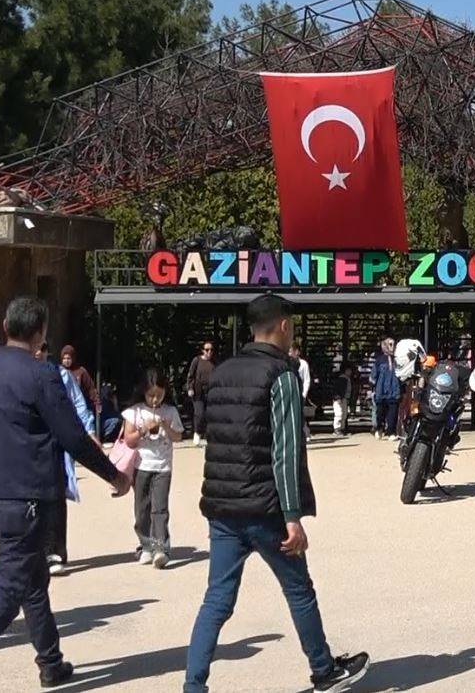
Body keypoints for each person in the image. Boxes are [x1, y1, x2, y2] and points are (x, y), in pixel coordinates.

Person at [0, 296, 131, 693]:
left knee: (31, 579)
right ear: (41, 333)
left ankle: (50, 663)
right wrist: (114, 475)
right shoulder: (42, 375)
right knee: (9, 586)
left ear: (5, 326)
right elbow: (72, 435)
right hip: (29, 500)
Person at [185, 294, 367, 693]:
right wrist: (292, 515)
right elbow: (285, 450)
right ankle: (323, 671)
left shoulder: (222, 372)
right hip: (266, 509)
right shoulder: (280, 375)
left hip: (223, 506)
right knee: (299, 589)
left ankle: (194, 686)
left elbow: (218, 441)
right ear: (284, 325)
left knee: (216, 600)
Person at [36, 341, 96, 576]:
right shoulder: (18, 374)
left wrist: (89, 432)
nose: (38, 353)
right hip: (28, 447)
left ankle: (55, 552)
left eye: (43, 349)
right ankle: (37, 552)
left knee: (55, 500)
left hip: (54, 446)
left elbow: (79, 405)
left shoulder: (61, 375)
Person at [122, 368, 184, 568]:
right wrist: (143, 429)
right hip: (141, 466)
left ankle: (161, 548)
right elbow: (128, 440)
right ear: (143, 392)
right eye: (151, 395)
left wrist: (166, 426)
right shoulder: (135, 411)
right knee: (142, 508)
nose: (155, 400)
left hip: (163, 467)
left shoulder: (170, 411)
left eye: (159, 395)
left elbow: (178, 437)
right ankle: (145, 545)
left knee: (160, 509)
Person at [58, 346, 98, 433]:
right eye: (64, 358)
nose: (66, 361)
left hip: (81, 408)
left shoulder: (80, 371)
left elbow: (90, 388)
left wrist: (97, 402)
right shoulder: (59, 372)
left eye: (69, 358)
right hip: (66, 408)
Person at [184, 341, 215, 447]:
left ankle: (208, 436)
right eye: (207, 350)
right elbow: (190, 375)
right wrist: (190, 388)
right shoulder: (197, 361)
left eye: (211, 350)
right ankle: (197, 434)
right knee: (199, 414)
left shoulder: (214, 363)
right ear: (203, 350)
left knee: (209, 415)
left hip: (210, 392)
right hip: (198, 393)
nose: (209, 352)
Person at [370, 336, 401, 440]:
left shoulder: (398, 360)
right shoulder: (379, 360)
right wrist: (373, 387)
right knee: (380, 412)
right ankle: (379, 428)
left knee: (393, 413)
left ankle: (391, 432)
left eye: (393, 344)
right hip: (381, 391)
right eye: (390, 344)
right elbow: (373, 376)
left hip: (394, 390)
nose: (392, 347)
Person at [330, 361, 355, 436]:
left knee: (344, 414)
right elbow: (337, 389)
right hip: (339, 399)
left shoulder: (347, 379)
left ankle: (342, 428)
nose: (350, 372)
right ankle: (337, 429)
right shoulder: (342, 379)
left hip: (344, 399)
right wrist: (337, 397)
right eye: (349, 370)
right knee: (339, 414)